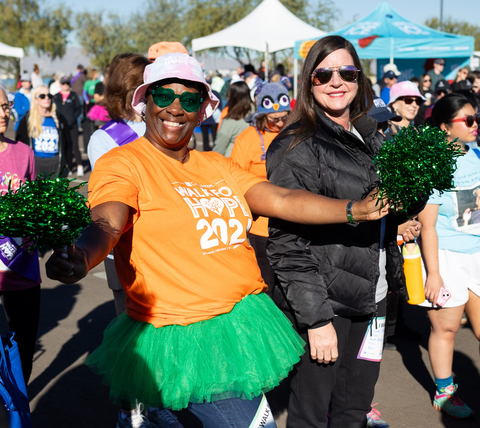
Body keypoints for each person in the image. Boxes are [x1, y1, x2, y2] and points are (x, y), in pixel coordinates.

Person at [45, 52, 390, 428]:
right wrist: (83, 254)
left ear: (201, 109)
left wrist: (355, 209)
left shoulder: (217, 166)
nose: (175, 108)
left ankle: (145, 414)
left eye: (189, 99)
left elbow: (281, 198)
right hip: (175, 336)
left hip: (236, 327)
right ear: (144, 103)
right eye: (164, 96)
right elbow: (108, 221)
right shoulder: (124, 163)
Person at [265, 35, 416, 428]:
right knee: (311, 416)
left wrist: (409, 197)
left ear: (360, 79)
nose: (336, 82)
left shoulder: (373, 136)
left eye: (347, 72)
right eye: (324, 74)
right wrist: (316, 321)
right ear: (309, 82)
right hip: (327, 304)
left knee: (354, 411)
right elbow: (286, 245)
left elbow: (387, 206)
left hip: (375, 297)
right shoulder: (297, 145)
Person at [88, 52, 185, 428]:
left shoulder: (162, 124)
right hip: (127, 249)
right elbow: (109, 197)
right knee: (133, 330)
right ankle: (134, 405)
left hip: (170, 248)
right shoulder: (105, 138)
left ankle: (170, 399)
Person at [417, 93, 480, 420]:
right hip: (447, 256)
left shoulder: (478, 155)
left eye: (475, 118)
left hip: (478, 254)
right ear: (444, 128)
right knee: (447, 329)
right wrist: (434, 273)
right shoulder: (436, 165)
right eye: (467, 120)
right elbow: (428, 226)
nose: (475, 124)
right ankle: (445, 392)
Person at [230, 80, 291, 296]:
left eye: (285, 118)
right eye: (274, 120)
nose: (281, 124)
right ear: (261, 116)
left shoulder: (294, 135)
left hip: (293, 224)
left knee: (291, 285)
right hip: (260, 228)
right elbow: (234, 182)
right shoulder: (247, 139)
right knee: (266, 284)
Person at [0, 87, 41, 384]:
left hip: (23, 268)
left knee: (24, 347)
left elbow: (37, 207)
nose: (4, 113)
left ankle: (19, 407)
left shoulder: (24, 153)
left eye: (6, 106)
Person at [15, 85, 69, 177]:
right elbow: (20, 144)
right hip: (35, 163)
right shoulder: (27, 119)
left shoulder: (59, 118)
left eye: (49, 96)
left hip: (55, 163)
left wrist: (67, 163)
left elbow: (68, 142)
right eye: (42, 96)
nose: (47, 98)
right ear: (36, 99)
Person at [212, 81, 253, 156]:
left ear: (232, 98)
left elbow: (219, 148)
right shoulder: (258, 114)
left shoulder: (231, 120)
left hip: (233, 161)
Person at [53, 77, 83, 177]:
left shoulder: (74, 96)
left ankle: (79, 166)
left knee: (75, 146)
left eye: (67, 83)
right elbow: (54, 109)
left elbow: (79, 109)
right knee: (64, 146)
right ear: (60, 84)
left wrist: (73, 119)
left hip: (72, 125)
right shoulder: (56, 97)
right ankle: (67, 167)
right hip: (61, 126)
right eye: (63, 83)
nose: (65, 85)